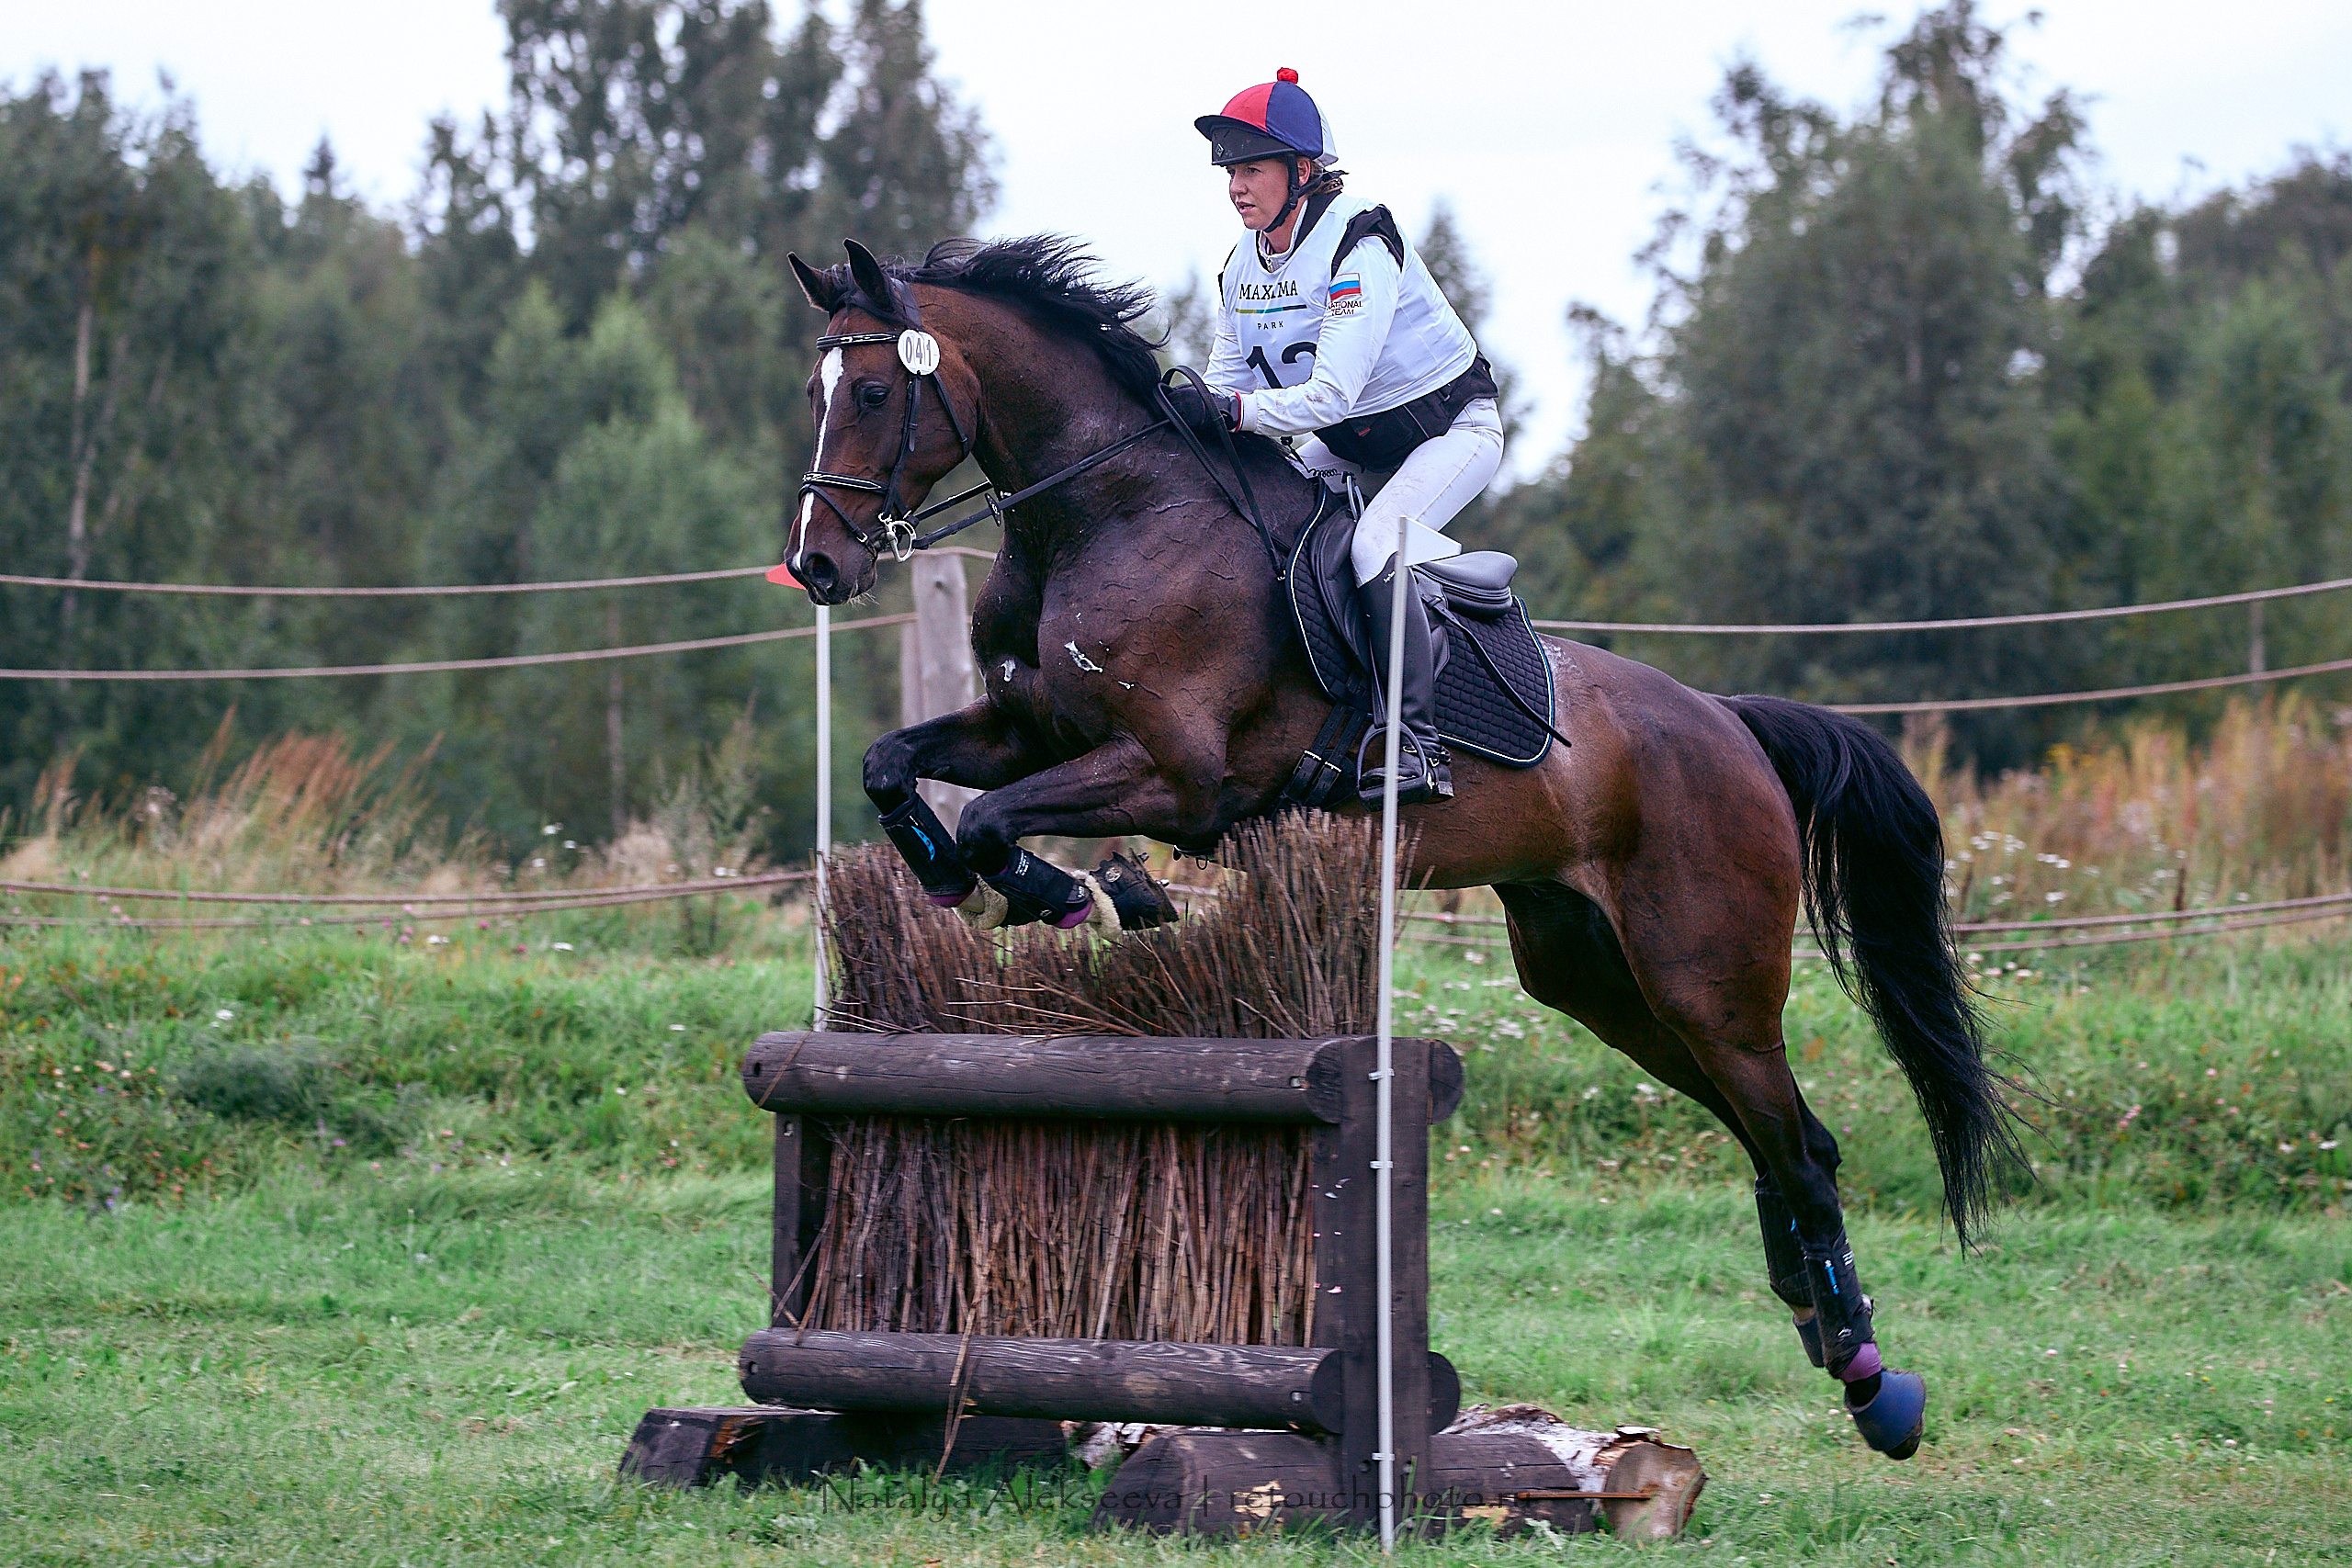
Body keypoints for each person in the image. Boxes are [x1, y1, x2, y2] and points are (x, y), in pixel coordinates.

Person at [1173, 68, 1503, 806]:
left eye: (1251, 168)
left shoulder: (1359, 244)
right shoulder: (1239, 268)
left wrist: (1229, 411)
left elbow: (1328, 395)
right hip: (1355, 444)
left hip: (1450, 430)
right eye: (1230, 170)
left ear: (1301, 171)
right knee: (1268, 534)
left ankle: (1415, 741)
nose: (1236, 186)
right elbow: (1228, 383)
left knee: (1372, 545)